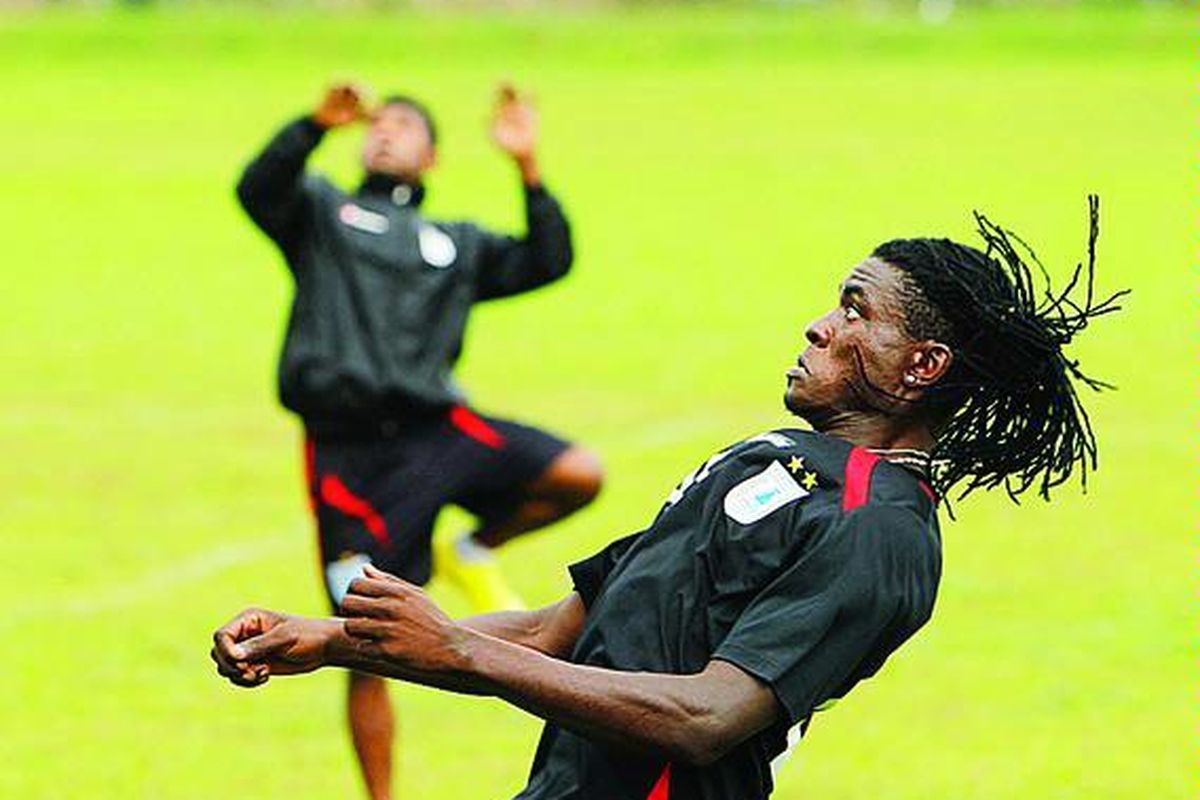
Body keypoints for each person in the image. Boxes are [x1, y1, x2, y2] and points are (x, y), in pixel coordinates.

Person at [214, 199, 1123, 799]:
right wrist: (329, 642)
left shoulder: (878, 534)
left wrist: (453, 649)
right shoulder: (766, 457)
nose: (821, 323)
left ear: (922, 367)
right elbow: (555, 632)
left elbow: (707, 718)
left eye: (856, 310)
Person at [235, 81, 604, 800]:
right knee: (362, 636)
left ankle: (471, 548)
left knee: (579, 472)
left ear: (430, 157)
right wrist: (313, 123)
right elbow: (256, 187)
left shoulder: (455, 243)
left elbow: (548, 259)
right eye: (380, 125)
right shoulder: (320, 213)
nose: (386, 133)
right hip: (351, 457)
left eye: (405, 126)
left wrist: (526, 165)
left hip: (440, 431)